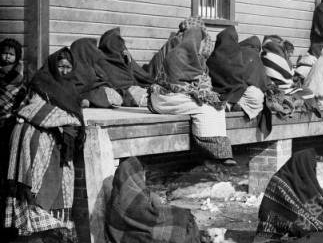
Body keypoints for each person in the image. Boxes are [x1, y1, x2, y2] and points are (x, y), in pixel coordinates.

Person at [4, 47, 85, 243]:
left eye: (68, 67)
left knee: (61, 184)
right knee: (36, 183)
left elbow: (76, 114)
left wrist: (70, 120)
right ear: (52, 65)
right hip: (34, 138)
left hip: (57, 141)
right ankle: (32, 235)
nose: (64, 70)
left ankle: (51, 231)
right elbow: (32, 109)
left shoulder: (70, 87)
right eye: (61, 66)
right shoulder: (41, 82)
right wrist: (68, 119)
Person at [96, 157, 206, 243]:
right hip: (142, 240)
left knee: (178, 217)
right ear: (134, 175)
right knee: (183, 217)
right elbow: (151, 216)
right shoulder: (139, 196)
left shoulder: (114, 201)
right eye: (141, 173)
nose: (143, 177)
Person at [148, 25, 236, 166]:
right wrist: (196, 91)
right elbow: (172, 84)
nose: (202, 45)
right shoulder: (175, 56)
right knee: (204, 108)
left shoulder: (198, 59)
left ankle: (220, 151)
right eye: (201, 41)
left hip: (183, 95)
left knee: (216, 106)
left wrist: (204, 92)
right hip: (166, 96)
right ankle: (210, 150)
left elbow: (204, 80)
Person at [251, 149, 323, 243]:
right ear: (303, 165)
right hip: (277, 225)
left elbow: (310, 200)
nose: (313, 169)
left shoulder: (301, 178)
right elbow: (290, 208)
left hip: (292, 218)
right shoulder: (281, 181)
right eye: (312, 166)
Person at [0, 38, 26, 243]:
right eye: (4, 53)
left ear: (17, 57)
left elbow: (23, 104)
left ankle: (8, 232)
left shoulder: (21, 79)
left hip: (10, 129)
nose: (6, 57)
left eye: (11, 54)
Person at [207, 26, 264, 120]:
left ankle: (229, 105)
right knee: (257, 94)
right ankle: (234, 105)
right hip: (232, 94)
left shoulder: (211, 58)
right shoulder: (236, 56)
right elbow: (240, 78)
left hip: (214, 93)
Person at [98, 27, 154, 106]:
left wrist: (129, 62)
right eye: (120, 44)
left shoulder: (122, 56)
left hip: (129, 91)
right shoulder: (99, 60)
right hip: (120, 94)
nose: (122, 47)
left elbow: (133, 76)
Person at [69, 37, 122, 108]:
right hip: (88, 95)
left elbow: (104, 80)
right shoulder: (74, 68)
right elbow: (78, 87)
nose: (95, 51)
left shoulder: (93, 65)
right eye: (92, 48)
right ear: (84, 50)